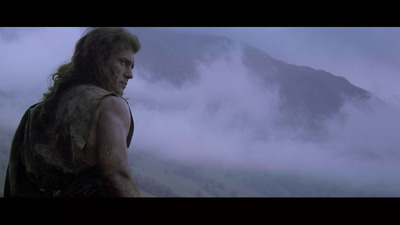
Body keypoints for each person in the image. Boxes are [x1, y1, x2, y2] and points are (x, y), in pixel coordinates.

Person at [3, 27, 141, 197]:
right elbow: (117, 176)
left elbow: (15, 181)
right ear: (99, 58)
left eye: (131, 66)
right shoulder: (110, 105)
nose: (130, 74)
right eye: (123, 62)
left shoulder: (35, 112)